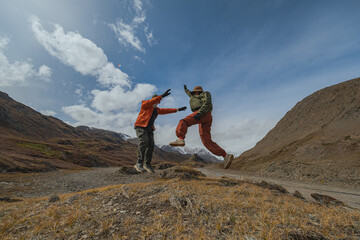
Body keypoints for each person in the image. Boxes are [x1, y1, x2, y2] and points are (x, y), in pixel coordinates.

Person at [169, 85, 234, 169]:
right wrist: (186, 90)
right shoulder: (193, 96)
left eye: (196, 92)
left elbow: (207, 102)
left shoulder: (205, 94)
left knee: (183, 121)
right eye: (194, 92)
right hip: (205, 116)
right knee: (206, 141)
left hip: (203, 112)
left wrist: (200, 113)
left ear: (199, 92)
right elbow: (189, 94)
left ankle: (180, 138)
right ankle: (225, 156)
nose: (195, 93)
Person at [134, 89, 187, 173]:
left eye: (158, 102)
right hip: (140, 126)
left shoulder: (157, 110)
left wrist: (178, 109)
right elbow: (151, 101)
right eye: (156, 101)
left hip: (149, 128)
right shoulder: (145, 105)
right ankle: (139, 163)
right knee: (144, 141)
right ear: (153, 101)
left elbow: (166, 110)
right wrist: (161, 96)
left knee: (151, 145)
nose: (157, 103)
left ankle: (147, 164)